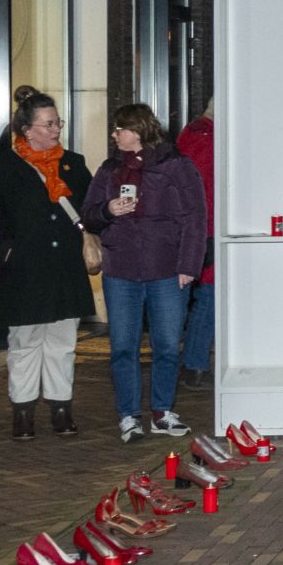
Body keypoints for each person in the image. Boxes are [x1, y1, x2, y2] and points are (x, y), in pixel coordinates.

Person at [82, 104, 205, 443]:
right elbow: (87, 216)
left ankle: (162, 411)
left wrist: (188, 266)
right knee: (123, 346)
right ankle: (128, 415)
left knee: (166, 345)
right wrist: (108, 210)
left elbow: (195, 218)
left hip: (167, 271)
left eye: (118, 129)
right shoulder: (109, 170)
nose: (113, 135)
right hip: (120, 271)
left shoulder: (177, 167)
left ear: (135, 132)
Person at [0, 87, 94, 439]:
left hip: (64, 267)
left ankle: (62, 408)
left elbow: (90, 211)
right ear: (26, 130)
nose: (56, 129)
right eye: (48, 124)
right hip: (24, 270)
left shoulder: (72, 164)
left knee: (63, 341)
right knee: (25, 342)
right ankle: (24, 412)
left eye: (57, 122)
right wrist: (8, 253)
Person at [176, 101, 216, 392]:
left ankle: (191, 363)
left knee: (197, 298)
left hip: (196, 230)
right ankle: (194, 364)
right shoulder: (207, 138)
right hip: (206, 230)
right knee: (209, 299)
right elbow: (204, 190)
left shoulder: (194, 134)